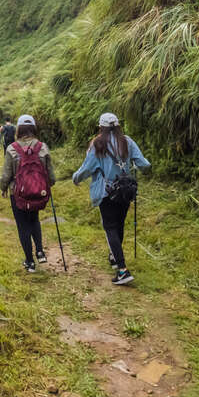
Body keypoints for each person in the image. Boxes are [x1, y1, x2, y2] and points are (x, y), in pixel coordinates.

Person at [71, 112, 150, 285]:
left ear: (101, 127)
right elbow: (143, 164)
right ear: (118, 125)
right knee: (119, 225)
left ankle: (122, 270)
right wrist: (138, 166)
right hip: (126, 191)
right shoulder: (127, 141)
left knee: (110, 228)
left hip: (107, 193)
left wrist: (76, 178)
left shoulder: (98, 144)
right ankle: (115, 258)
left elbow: (87, 168)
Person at [0, 114, 56, 272]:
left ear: (18, 129)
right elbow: (50, 174)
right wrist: (48, 184)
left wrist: (3, 188)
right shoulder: (42, 147)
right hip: (37, 192)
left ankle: (30, 262)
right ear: (33, 128)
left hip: (18, 193)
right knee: (34, 220)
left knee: (22, 225)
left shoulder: (12, 148)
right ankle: (40, 251)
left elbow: (6, 175)